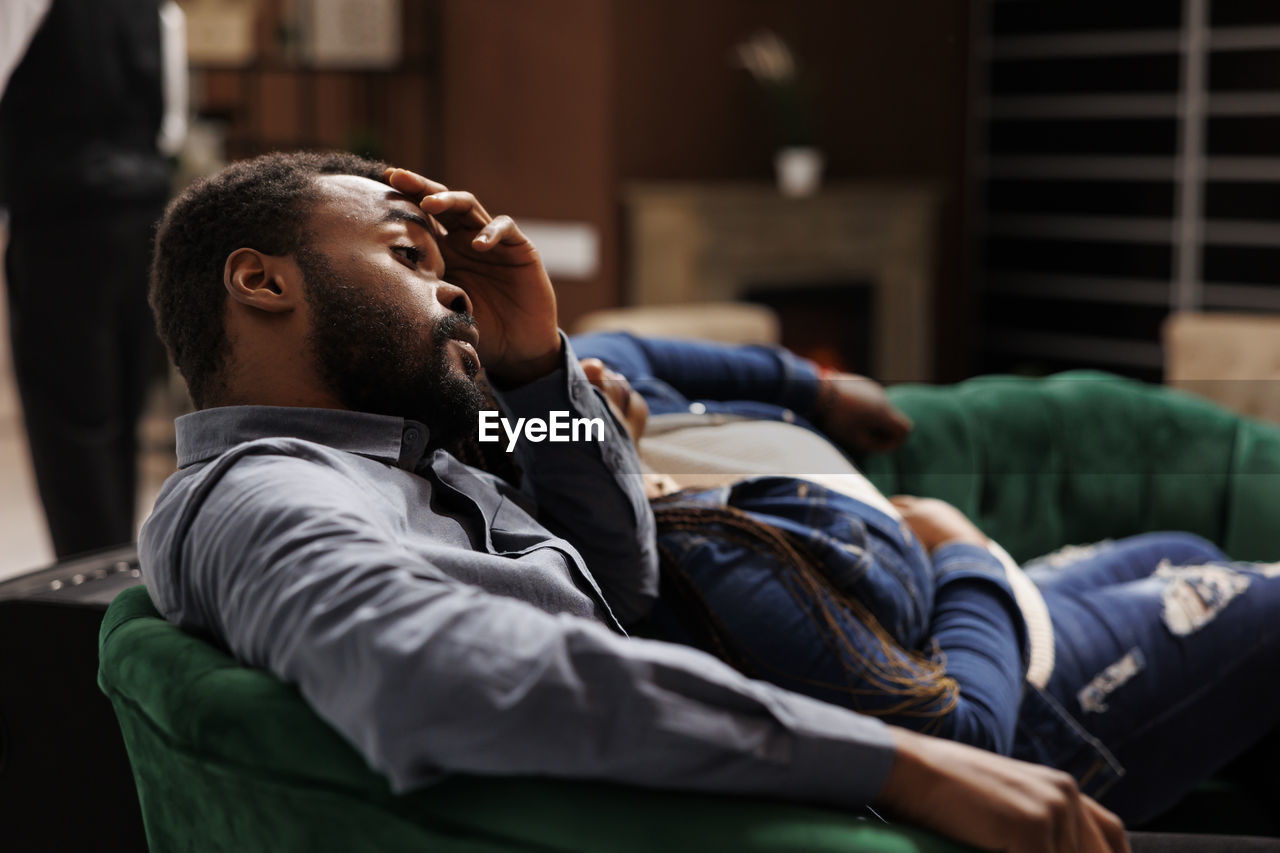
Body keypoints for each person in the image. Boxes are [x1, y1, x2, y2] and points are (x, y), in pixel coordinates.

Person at [139, 150, 1128, 853]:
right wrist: (895, 763)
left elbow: (620, 567)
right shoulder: (268, 491)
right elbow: (434, 670)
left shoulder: (405, 450)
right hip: (848, 774)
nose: (452, 296)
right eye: (407, 256)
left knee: (1149, 553)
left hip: (858, 669)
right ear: (261, 280)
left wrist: (532, 363)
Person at [570, 331, 1280, 827]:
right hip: (1018, 692)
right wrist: (964, 549)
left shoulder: (601, 391)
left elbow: (635, 347)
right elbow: (962, 742)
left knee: (1183, 547)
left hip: (993, 602)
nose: (591, 370)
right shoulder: (717, 571)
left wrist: (817, 388)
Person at [0, 0, 185, 557]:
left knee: (71, 425)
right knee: (123, 410)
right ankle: (116, 574)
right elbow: (170, 125)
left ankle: (85, 600)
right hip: (144, 216)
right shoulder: (156, 6)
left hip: (59, 219)